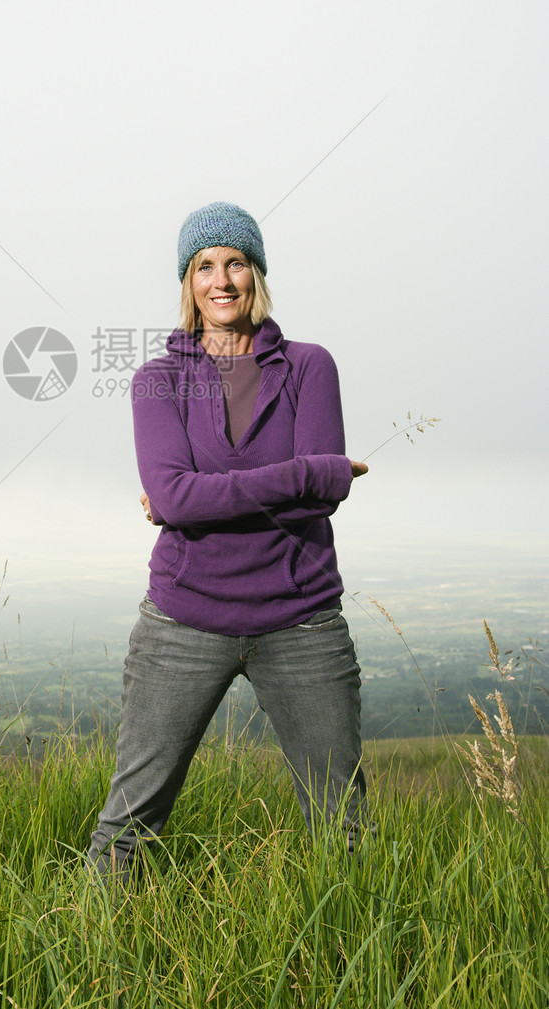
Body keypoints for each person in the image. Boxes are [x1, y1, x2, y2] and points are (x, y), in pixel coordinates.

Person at [87, 201, 371, 882]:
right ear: (187, 282)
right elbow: (186, 494)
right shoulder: (157, 379)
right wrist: (307, 470)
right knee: (128, 824)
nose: (222, 279)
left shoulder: (310, 366)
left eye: (236, 262)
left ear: (257, 274)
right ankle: (93, 967)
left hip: (301, 617)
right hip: (185, 616)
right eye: (205, 265)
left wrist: (197, 495)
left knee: (344, 826)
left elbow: (317, 496)